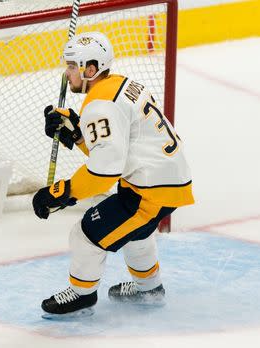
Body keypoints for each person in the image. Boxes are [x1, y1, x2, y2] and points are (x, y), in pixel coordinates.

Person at [32, 32, 194, 318]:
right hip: (164, 180)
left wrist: (62, 192)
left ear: (90, 69)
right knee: (137, 232)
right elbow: (117, 150)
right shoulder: (120, 84)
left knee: (86, 233)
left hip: (149, 189)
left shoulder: (99, 104)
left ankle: (81, 295)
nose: (67, 73)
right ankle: (149, 289)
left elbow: (105, 172)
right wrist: (78, 134)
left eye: (72, 66)